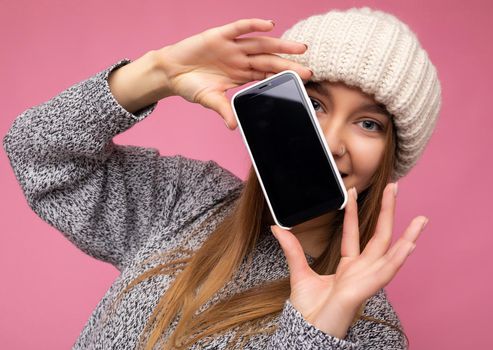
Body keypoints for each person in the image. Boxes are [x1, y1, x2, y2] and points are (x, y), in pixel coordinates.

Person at [3, 6, 441, 350]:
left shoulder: (368, 329)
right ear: (270, 106)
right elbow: (39, 152)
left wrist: (318, 332)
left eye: (369, 124)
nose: (330, 141)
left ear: (391, 156)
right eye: (315, 103)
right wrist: (156, 73)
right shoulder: (186, 198)